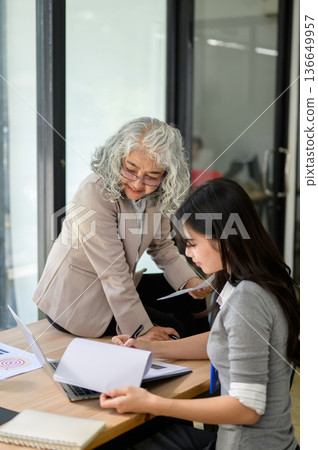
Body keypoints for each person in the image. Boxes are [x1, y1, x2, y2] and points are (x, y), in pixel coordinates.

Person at [100, 178, 300, 450]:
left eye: (192, 243)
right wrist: (147, 348)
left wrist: (153, 404)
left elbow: (246, 408)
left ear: (224, 238)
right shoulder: (251, 280)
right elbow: (223, 339)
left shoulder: (248, 299)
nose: (187, 252)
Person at [32, 117, 211, 340]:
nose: (137, 183)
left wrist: (190, 281)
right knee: (173, 329)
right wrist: (144, 330)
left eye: (152, 176)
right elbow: (113, 273)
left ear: (166, 175)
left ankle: (208, 361)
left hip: (117, 288)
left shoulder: (157, 194)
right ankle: (190, 366)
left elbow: (162, 247)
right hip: (78, 300)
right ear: (118, 158)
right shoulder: (93, 193)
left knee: (190, 299)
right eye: (130, 169)